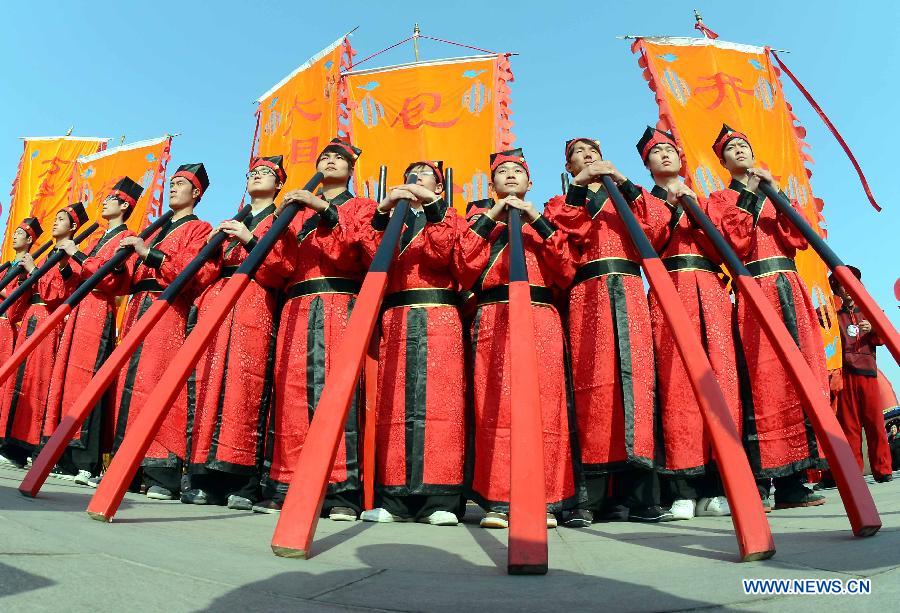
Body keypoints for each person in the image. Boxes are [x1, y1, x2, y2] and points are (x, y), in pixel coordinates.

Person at [544, 138, 673, 525]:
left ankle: (641, 498)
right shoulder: (562, 199)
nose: (588, 157)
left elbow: (657, 227)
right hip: (588, 294)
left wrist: (623, 181)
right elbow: (562, 231)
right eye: (578, 155)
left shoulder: (626, 196)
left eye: (593, 152)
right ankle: (590, 499)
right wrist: (581, 186)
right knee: (594, 390)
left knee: (636, 388)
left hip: (631, 288)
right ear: (569, 167)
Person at [457, 148, 581, 529]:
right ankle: (498, 500)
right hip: (494, 317)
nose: (510, 176)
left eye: (518, 172)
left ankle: (543, 499)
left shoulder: (543, 220)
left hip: (540, 317)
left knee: (544, 406)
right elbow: (463, 264)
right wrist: (494, 215)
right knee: (497, 406)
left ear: (530, 182)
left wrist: (537, 221)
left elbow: (565, 270)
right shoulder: (478, 219)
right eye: (503, 172)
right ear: (491, 184)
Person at [707, 125, 828, 510]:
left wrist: (774, 191)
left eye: (745, 145)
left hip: (788, 285)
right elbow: (734, 239)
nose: (740, 150)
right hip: (755, 288)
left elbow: (797, 237)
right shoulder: (719, 198)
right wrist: (754, 196)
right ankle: (763, 480)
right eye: (733, 148)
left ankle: (796, 484)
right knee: (764, 381)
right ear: (723, 161)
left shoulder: (772, 191)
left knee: (800, 377)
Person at [254, 138, 374, 520]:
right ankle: (286, 483)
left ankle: (340, 492)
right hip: (297, 306)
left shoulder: (362, 207)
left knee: (335, 392)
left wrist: (324, 210)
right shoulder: (296, 212)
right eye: (325, 158)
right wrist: (280, 224)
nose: (330, 162)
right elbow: (279, 265)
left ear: (351, 170)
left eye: (338, 159)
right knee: (291, 395)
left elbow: (363, 248)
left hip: (340, 302)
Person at [354, 160, 466, 526]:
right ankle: (395, 499)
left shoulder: (450, 217)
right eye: (410, 178)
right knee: (395, 405)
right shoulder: (393, 219)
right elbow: (371, 259)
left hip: (440, 316)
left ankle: (442, 499)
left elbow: (444, 253)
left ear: (439, 188)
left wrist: (432, 208)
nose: (416, 181)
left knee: (441, 405)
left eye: (425, 178)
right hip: (397, 317)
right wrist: (384, 213)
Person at [181, 156, 295, 509]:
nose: (257, 176)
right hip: (216, 303)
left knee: (244, 387)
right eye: (253, 172)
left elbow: (282, 269)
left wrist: (249, 240)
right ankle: (200, 477)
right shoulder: (233, 220)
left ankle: (242, 483)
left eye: (266, 173)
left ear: (279, 185)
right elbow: (201, 272)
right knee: (208, 385)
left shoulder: (281, 220)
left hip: (254, 302)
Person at [111, 164, 213, 500]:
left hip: (168, 307)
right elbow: (125, 279)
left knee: (157, 382)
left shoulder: (200, 229)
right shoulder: (156, 228)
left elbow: (195, 270)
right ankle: (124, 468)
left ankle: (161, 473)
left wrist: (149, 253)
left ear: (196, 193)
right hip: (139, 307)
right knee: (129, 383)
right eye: (172, 183)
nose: (173, 188)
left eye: (181, 183)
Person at [43, 178, 143, 484]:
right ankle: (68, 458)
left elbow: (111, 279)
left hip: (99, 311)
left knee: (90, 380)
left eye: (111, 198)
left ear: (125, 205)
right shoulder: (97, 238)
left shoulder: (126, 237)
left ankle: (88, 461)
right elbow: (74, 278)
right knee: (69, 381)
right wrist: (65, 263)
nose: (104, 202)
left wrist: (77, 255)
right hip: (79, 310)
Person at [0, 202, 89, 470]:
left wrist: (32, 272)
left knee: (38, 384)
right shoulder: (49, 254)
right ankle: (12, 443)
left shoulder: (70, 258)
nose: (55, 222)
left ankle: (28, 445)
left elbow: (54, 294)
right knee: (20, 382)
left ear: (73, 227)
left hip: (46, 322)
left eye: (61, 218)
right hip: (30, 319)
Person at [829, 267, 892, 482]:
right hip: (846, 374)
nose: (845, 288)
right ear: (836, 288)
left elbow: (884, 337)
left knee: (875, 424)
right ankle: (854, 474)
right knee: (850, 428)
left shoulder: (869, 310)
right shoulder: (832, 313)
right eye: (840, 284)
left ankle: (883, 470)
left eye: (849, 283)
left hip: (867, 372)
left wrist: (873, 327)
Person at [0, 217, 43, 368]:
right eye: (15, 233)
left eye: (19, 233)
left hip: (5, 326)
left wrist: (2, 289)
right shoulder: (6, 267)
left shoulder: (27, 269)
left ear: (29, 239)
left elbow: (19, 301)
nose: (14, 236)